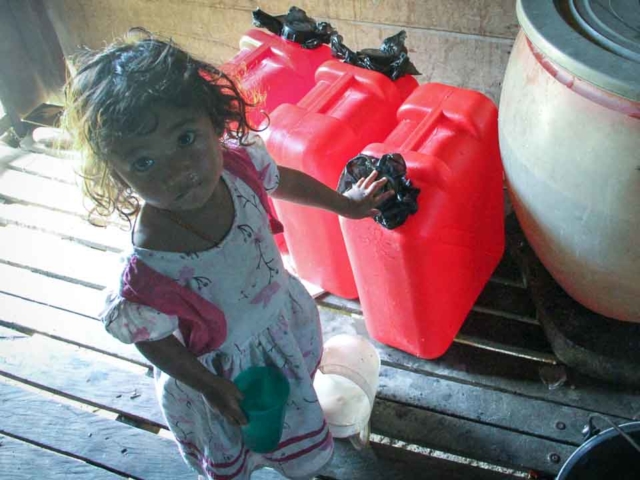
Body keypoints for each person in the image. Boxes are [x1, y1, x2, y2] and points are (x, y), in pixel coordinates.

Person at [63, 30, 392, 480]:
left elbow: (283, 182)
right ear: (116, 174)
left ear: (214, 121)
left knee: (290, 409)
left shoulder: (239, 166)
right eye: (143, 163)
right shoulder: (148, 274)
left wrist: (346, 203)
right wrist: (208, 386)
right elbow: (152, 340)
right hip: (220, 377)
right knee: (238, 442)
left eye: (185, 138)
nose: (178, 170)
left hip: (279, 326)